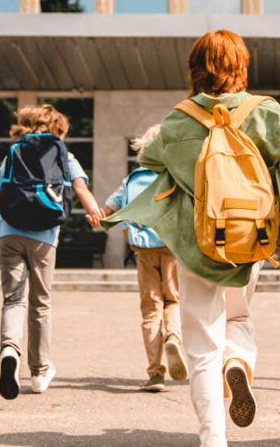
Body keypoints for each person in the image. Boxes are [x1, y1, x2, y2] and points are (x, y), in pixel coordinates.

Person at [102, 30, 280, 447]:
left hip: (196, 241)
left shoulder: (179, 118)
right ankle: (237, 361)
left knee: (201, 343)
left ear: (194, 69)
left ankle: (212, 437)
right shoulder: (264, 111)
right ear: (241, 67)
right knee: (238, 318)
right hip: (249, 236)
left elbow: (148, 157)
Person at [0, 104, 100, 399]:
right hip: (44, 236)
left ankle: (9, 350)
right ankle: (39, 371)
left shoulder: (14, 151)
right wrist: (96, 214)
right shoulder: (64, 153)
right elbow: (80, 189)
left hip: (9, 234)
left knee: (13, 299)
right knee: (41, 303)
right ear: (58, 130)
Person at [86, 124, 188, 393]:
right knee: (173, 299)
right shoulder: (175, 176)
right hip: (171, 247)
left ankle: (155, 373)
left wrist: (96, 216)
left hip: (143, 251)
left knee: (151, 310)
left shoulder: (132, 179)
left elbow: (107, 211)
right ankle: (174, 337)